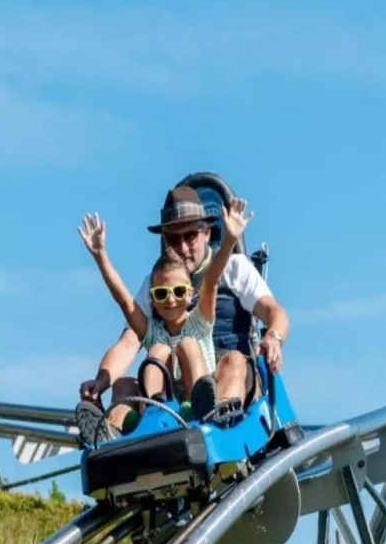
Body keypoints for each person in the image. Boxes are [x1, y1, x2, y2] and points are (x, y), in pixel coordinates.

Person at [76, 184, 290, 441]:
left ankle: (216, 425)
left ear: (206, 233)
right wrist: (100, 383)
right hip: (169, 394)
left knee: (228, 360)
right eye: (173, 239)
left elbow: (272, 310)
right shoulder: (155, 284)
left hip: (228, 378)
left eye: (189, 236)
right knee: (130, 379)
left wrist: (273, 337)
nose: (183, 247)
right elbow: (127, 342)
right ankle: (111, 435)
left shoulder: (233, 268)